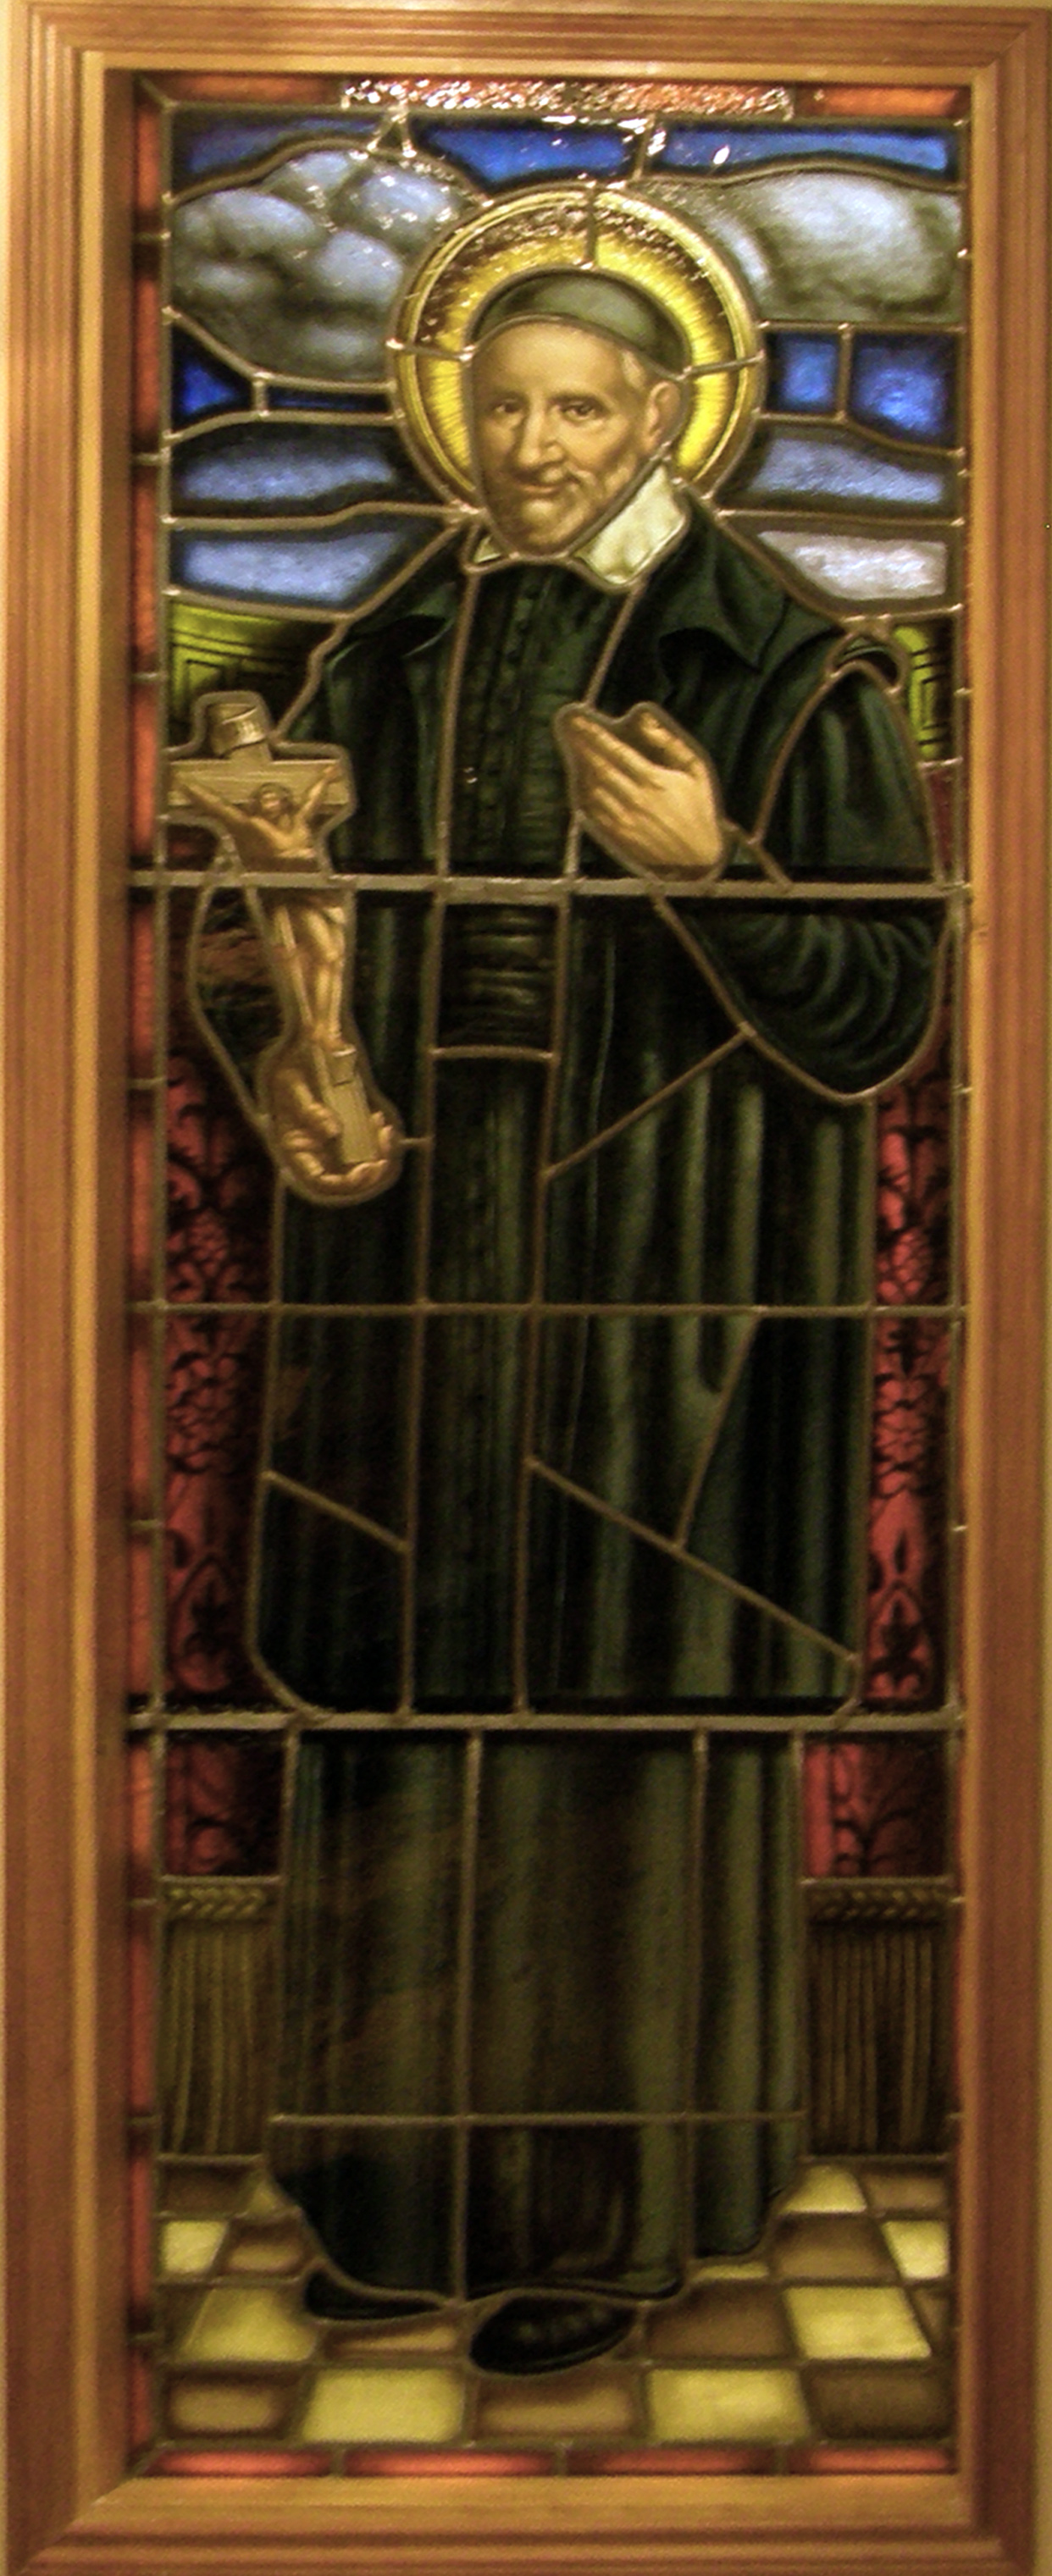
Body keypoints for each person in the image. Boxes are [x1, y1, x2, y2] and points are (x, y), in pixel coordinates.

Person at [193, 264, 941, 2374]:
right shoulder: (385, 646)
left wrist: (718, 872)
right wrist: (289, 1054)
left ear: (664, 418)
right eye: (503, 406)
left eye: (579, 411)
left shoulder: (788, 669)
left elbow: (883, 1011)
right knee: (409, 1715)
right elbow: (255, 941)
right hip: (419, 1281)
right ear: (453, 410)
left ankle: (610, 2229)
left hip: (655, 1292)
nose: (531, 451)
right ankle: (392, 2206)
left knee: (619, 1744)